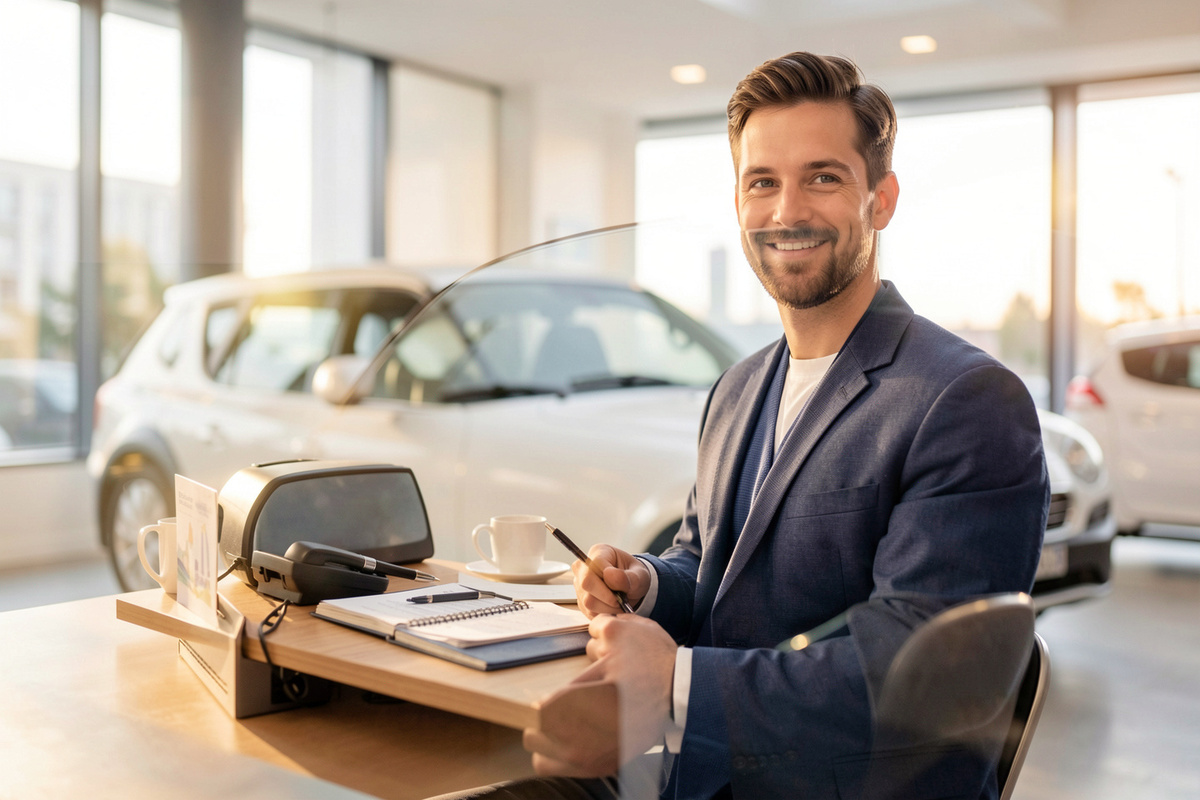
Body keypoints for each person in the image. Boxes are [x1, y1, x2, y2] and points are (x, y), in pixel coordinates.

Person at [437, 51, 1049, 800]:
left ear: (880, 200)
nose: (787, 211)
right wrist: (650, 584)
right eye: (763, 182)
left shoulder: (965, 399)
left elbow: (922, 674)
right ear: (739, 203)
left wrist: (676, 677)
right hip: (698, 771)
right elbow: (712, 566)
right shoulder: (737, 388)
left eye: (823, 177)